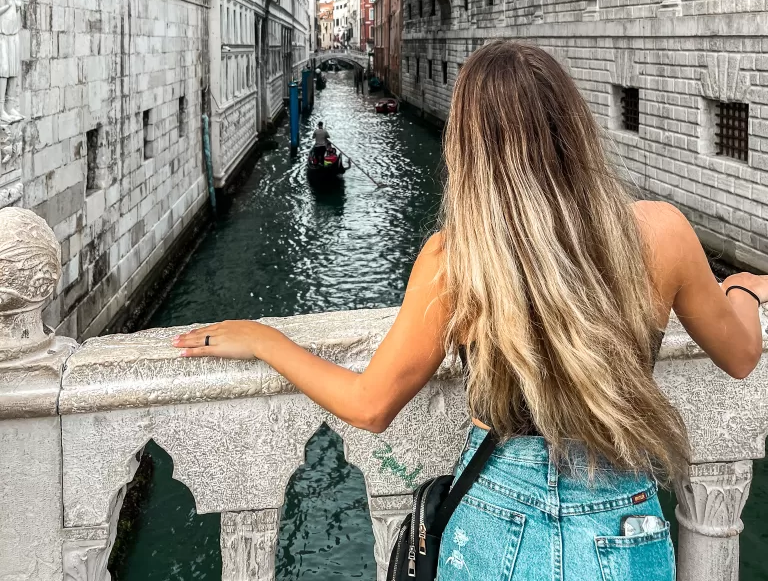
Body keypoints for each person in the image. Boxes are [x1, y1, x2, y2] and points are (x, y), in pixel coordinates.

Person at [174, 41, 767, 580]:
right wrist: (741, 290)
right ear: (574, 128)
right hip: (621, 524)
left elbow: (370, 405)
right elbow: (742, 356)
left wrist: (265, 340)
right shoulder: (663, 233)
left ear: (469, 145)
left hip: (492, 520)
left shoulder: (454, 261)